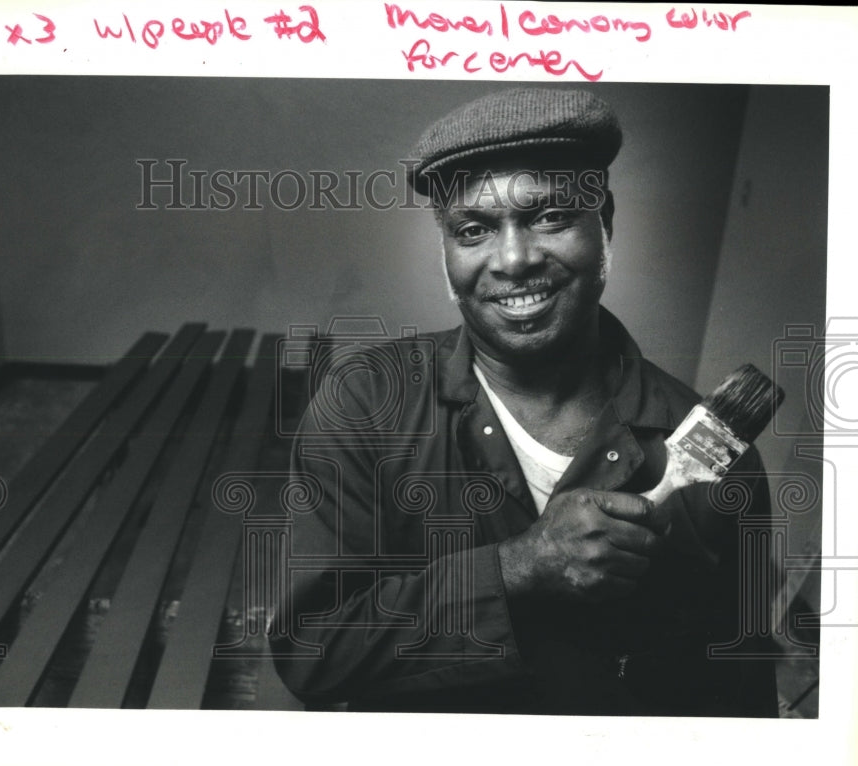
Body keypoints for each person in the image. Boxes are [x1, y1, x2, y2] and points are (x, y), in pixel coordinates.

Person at [269, 88, 778, 716]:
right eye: (474, 230)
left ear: (605, 223)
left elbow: (740, 693)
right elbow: (313, 652)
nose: (512, 260)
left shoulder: (716, 456)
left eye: (549, 217)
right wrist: (517, 568)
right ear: (446, 252)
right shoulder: (366, 401)